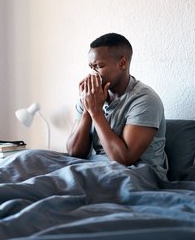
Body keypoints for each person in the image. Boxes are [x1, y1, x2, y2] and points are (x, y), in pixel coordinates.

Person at [66, 33, 168, 180]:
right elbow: (74, 152)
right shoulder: (90, 97)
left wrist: (96, 113)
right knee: (30, 158)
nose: (93, 75)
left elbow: (124, 159)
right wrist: (88, 110)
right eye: (91, 67)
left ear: (122, 64)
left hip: (137, 173)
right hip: (96, 167)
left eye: (99, 66)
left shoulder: (145, 100)